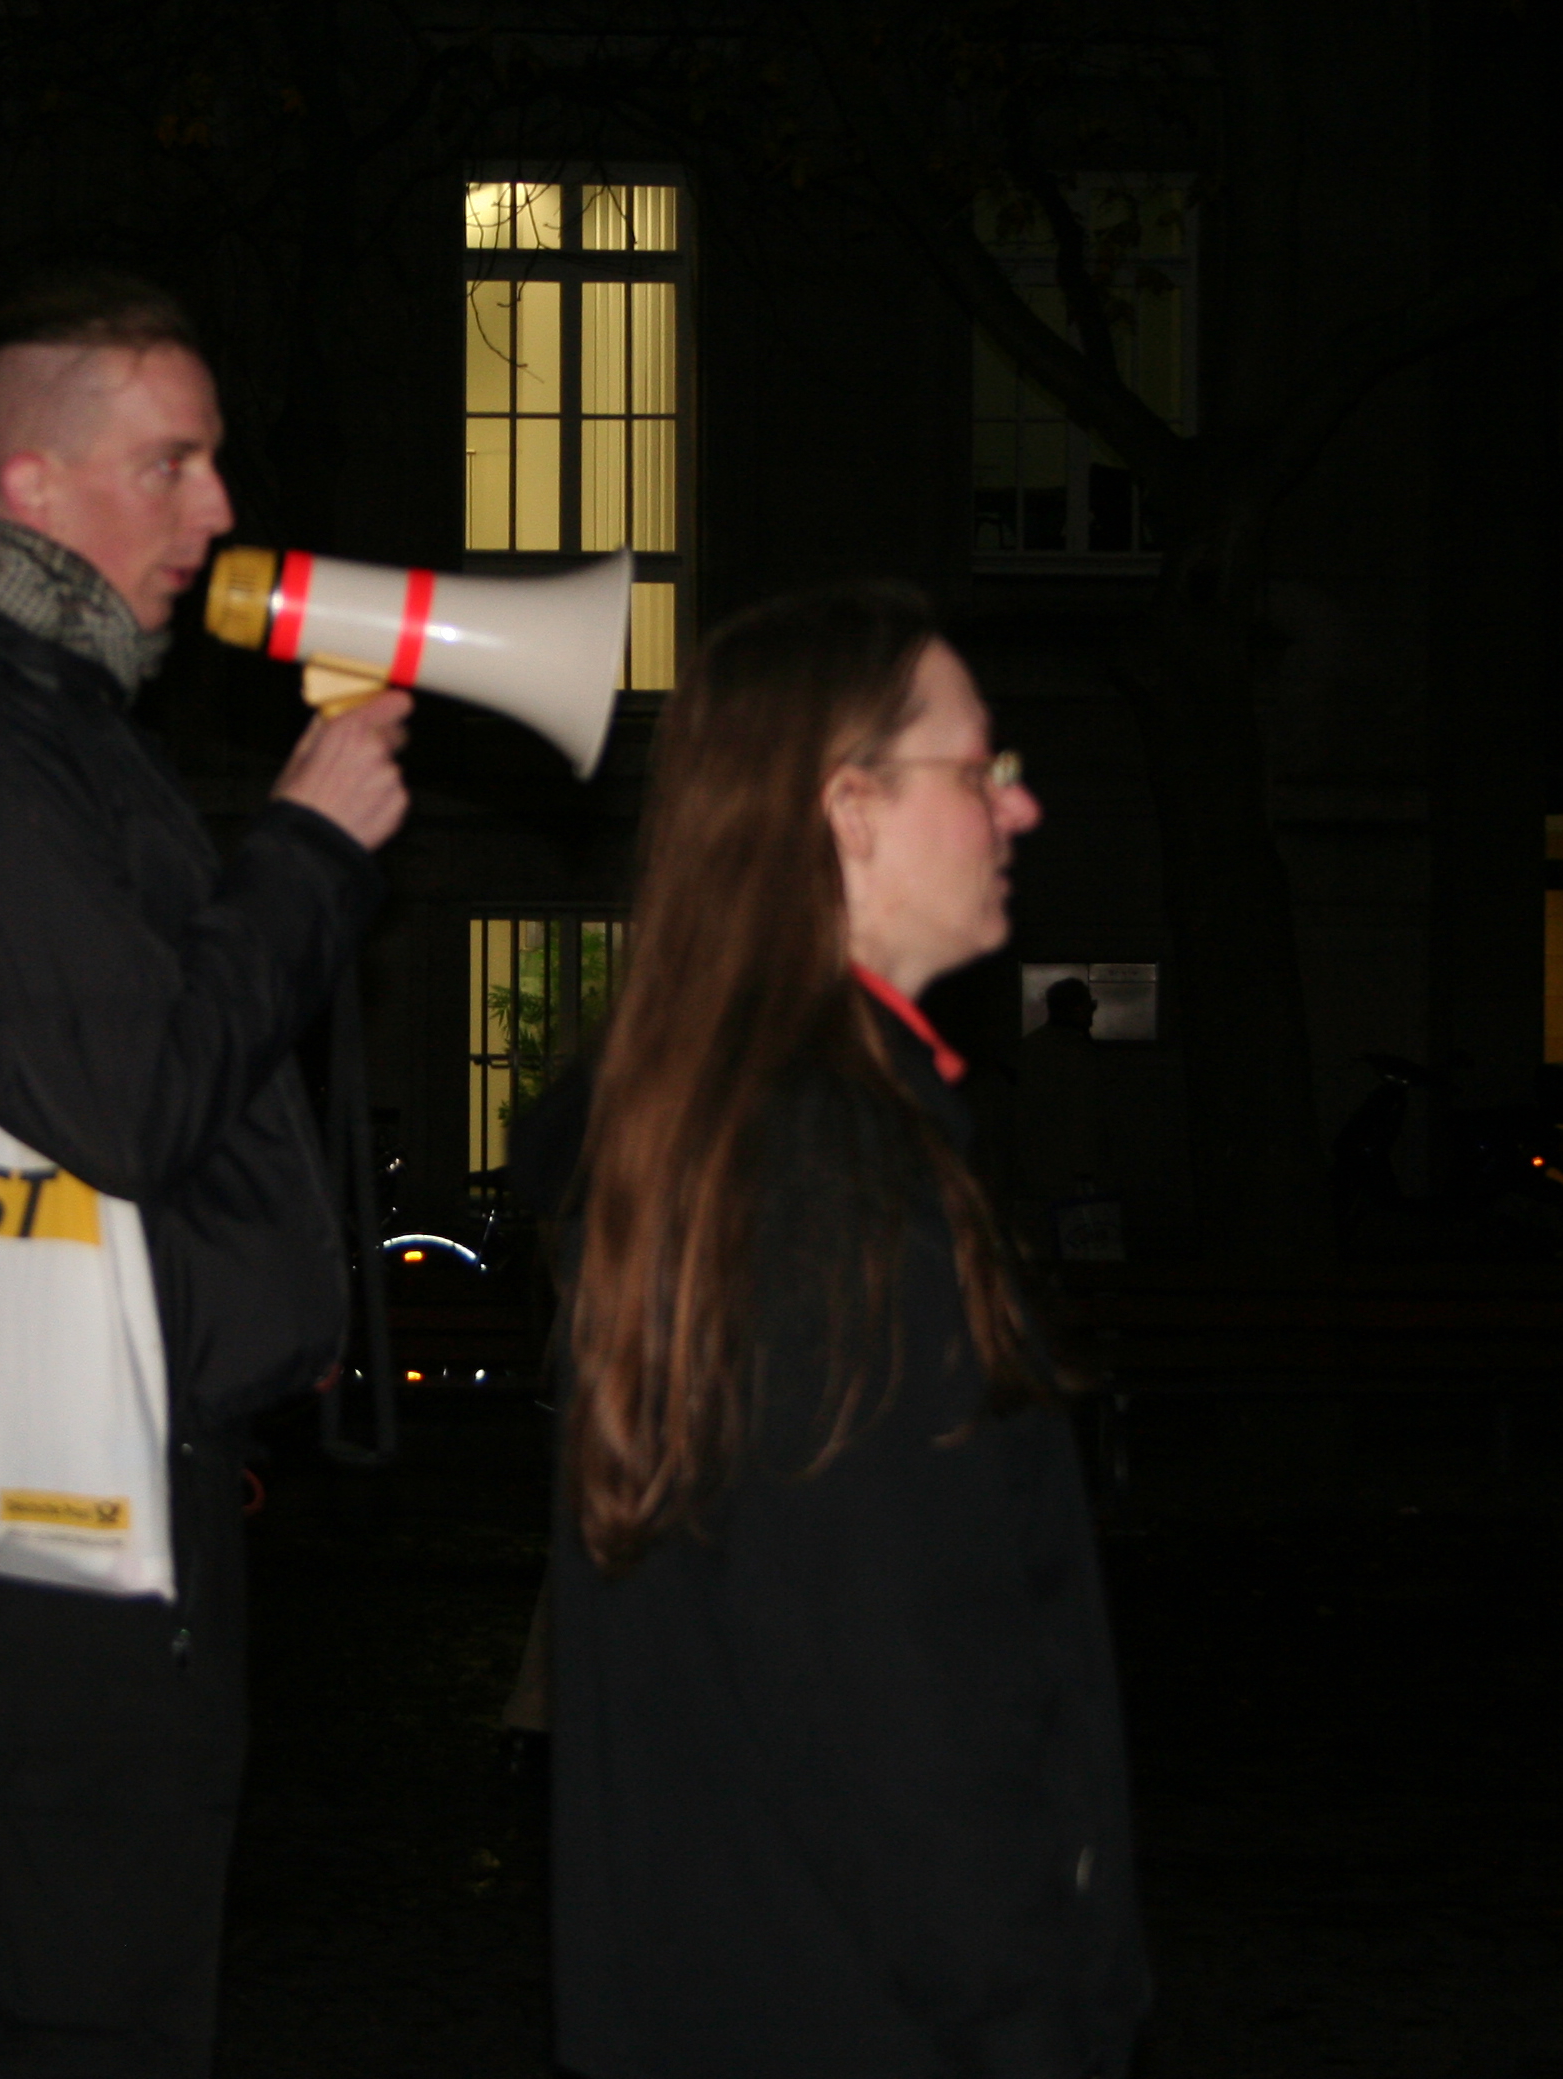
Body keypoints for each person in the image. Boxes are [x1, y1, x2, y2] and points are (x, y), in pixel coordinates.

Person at [0, 269, 409, 2073]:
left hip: (42, 1438)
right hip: (58, 1465)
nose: (216, 506)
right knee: (94, 1970)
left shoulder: (16, 722)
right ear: (30, 482)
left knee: (14, 1943)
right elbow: (137, 1098)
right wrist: (305, 850)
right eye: (171, 462)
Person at [549, 585, 1149, 2078]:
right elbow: (895, 1681)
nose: (1019, 808)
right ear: (848, 810)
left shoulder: (723, 1121)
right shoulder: (826, 1172)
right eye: (979, 768)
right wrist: (1028, 2022)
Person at [1015, 976, 1123, 1262]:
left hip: (1037, 1164)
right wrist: (1087, 1168)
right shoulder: (1077, 1052)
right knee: (1085, 1243)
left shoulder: (1030, 1048)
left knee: (1046, 1246)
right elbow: (1085, 1114)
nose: (1092, 1012)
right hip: (1074, 1171)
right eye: (1090, 1006)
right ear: (1077, 1009)